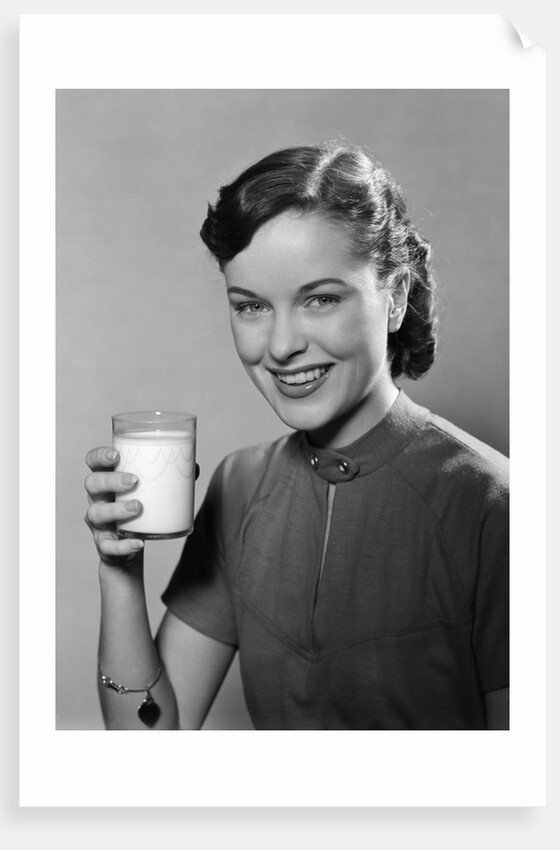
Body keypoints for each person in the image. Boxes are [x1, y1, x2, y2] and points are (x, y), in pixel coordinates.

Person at [84, 141, 509, 731]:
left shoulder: (493, 505)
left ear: (395, 298)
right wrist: (119, 572)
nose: (282, 346)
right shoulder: (240, 487)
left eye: (321, 299)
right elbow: (149, 745)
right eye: (251, 307)